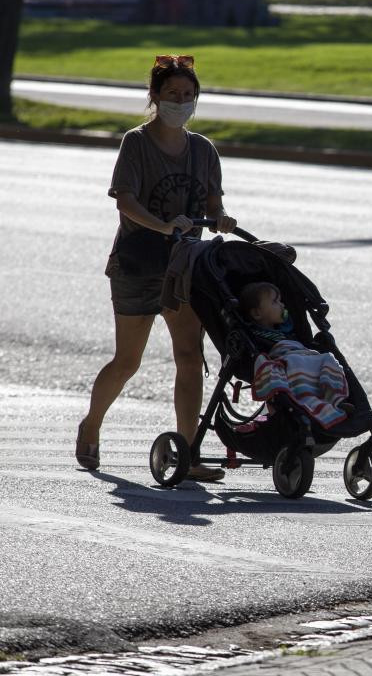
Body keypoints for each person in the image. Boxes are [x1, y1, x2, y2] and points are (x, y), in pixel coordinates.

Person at [76, 54, 236, 481]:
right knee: (128, 361)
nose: (180, 102)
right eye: (171, 94)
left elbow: (212, 202)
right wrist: (164, 226)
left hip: (184, 268)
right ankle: (91, 425)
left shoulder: (203, 149)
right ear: (155, 97)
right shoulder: (137, 143)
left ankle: (187, 453)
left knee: (189, 355)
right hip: (138, 263)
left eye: (188, 95)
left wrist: (221, 218)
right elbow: (125, 200)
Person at [239, 281, 353, 427]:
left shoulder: (285, 328)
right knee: (296, 364)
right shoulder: (255, 333)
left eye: (281, 301)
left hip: (303, 356)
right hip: (288, 361)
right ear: (256, 313)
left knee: (327, 359)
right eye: (275, 302)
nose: (282, 305)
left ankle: (335, 399)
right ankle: (316, 406)